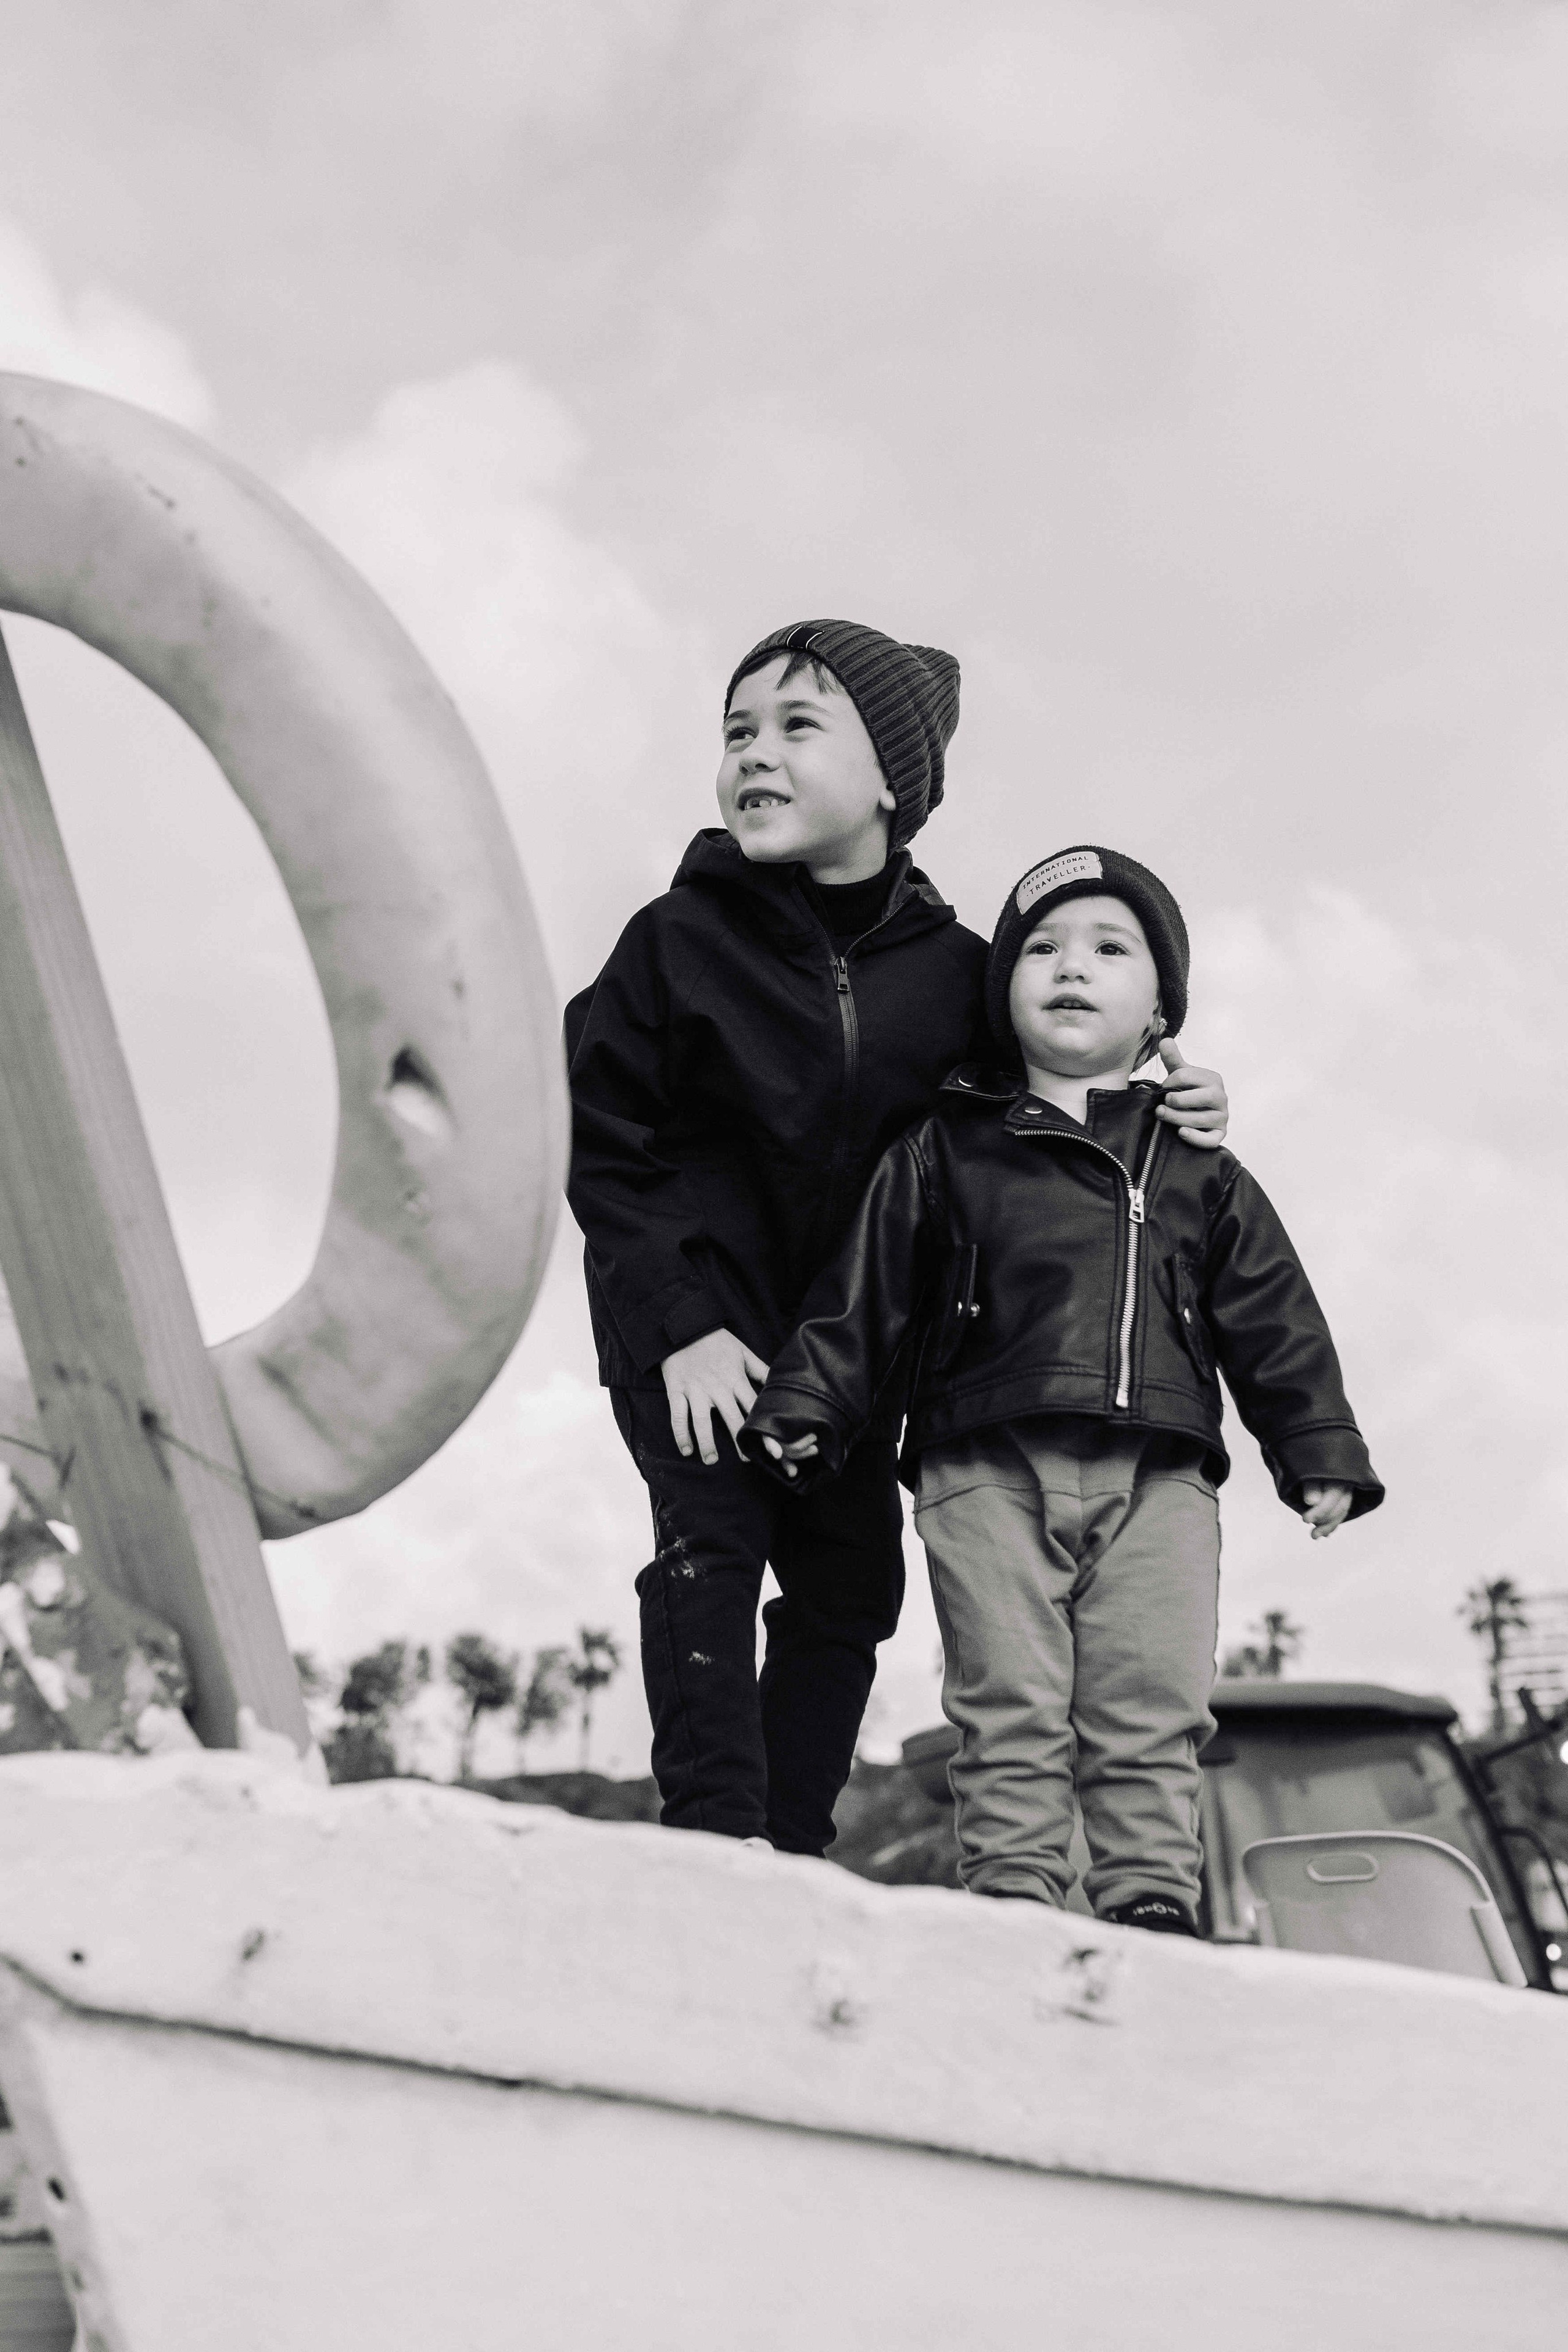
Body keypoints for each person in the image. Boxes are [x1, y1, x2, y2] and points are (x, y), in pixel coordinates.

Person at [565, 635, 1231, 1856]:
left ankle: (786, 1843)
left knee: (847, 1594)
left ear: (890, 783)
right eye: (735, 732)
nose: (754, 752)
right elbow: (603, 1139)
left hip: (861, 1362)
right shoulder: (669, 945)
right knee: (707, 1551)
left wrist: (1169, 1105)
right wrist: (679, 1324)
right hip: (695, 1336)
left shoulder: (961, 977)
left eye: (796, 726)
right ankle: (708, 1842)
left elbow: (1043, 1103)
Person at [742, 845, 1382, 1927]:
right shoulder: (946, 1148)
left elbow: (1272, 1315)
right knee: (1011, 1706)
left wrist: (1316, 1447)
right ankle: (1016, 1903)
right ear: (1004, 996)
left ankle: (1148, 1907)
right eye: (1040, 947)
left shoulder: (1201, 1168)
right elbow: (867, 1289)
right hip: (984, 1465)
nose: (1070, 965)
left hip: (1163, 1481)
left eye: (1109, 946)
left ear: (1160, 1009)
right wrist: (807, 1401)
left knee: (1153, 1705)